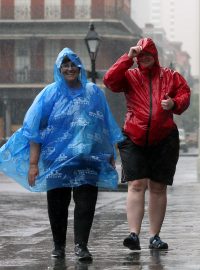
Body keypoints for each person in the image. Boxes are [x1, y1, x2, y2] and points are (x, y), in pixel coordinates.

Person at [0, 48, 124, 260]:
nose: (69, 69)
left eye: (72, 64)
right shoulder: (49, 94)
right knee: (58, 203)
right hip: (56, 160)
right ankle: (58, 246)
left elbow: (104, 126)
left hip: (88, 158)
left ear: (79, 67)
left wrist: (110, 154)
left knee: (86, 204)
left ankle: (81, 246)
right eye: (64, 65)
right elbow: (34, 130)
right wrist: (33, 164)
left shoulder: (94, 92)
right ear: (59, 69)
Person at [103, 37, 190, 250]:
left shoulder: (170, 76)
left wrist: (174, 103)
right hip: (134, 136)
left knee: (158, 187)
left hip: (164, 138)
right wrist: (127, 57)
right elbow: (109, 80)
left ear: (155, 55)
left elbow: (185, 93)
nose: (144, 58)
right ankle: (133, 234)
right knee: (136, 184)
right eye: (141, 55)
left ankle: (155, 236)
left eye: (148, 54)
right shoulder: (130, 76)